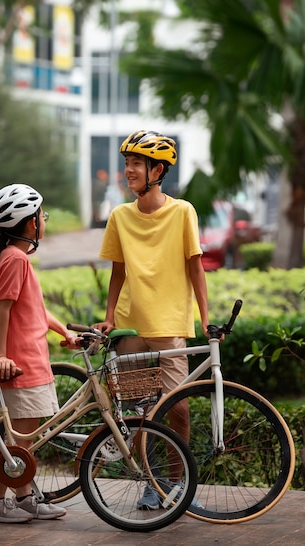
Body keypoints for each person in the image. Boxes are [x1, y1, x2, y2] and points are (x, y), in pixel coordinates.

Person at [93, 130, 210, 510]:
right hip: (131, 326)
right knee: (140, 412)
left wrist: (207, 320)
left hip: (170, 324)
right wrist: (110, 316)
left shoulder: (182, 212)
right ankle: (152, 482)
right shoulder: (120, 216)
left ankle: (178, 484)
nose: (127, 171)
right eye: (126, 164)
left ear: (156, 170)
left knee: (177, 409)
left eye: (135, 164)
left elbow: (196, 267)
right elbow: (118, 271)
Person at [0, 183, 79, 524]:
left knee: (25, 441)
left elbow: (34, 309)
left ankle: (24, 497)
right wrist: (1, 357)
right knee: (21, 441)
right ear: (31, 223)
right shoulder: (14, 259)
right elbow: (3, 310)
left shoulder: (17, 258)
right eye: (43, 215)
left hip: (33, 361)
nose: (44, 220)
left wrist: (64, 330)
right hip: (20, 365)